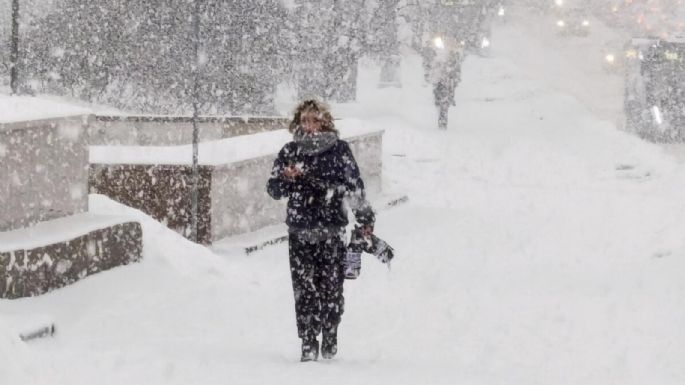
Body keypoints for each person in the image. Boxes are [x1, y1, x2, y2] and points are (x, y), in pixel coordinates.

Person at [266, 99, 375, 362]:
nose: (310, 125)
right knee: (304, 289)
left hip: (331, 230)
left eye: (315, 120)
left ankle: (330, 333)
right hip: (300, 230)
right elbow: (273, 189)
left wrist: (365, 220)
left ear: (325, 121)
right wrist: (285, 178)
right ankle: (308, 340)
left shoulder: (339, 151)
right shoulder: (290, 151)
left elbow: (354, 188)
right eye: (305, 120)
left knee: (331, 287)